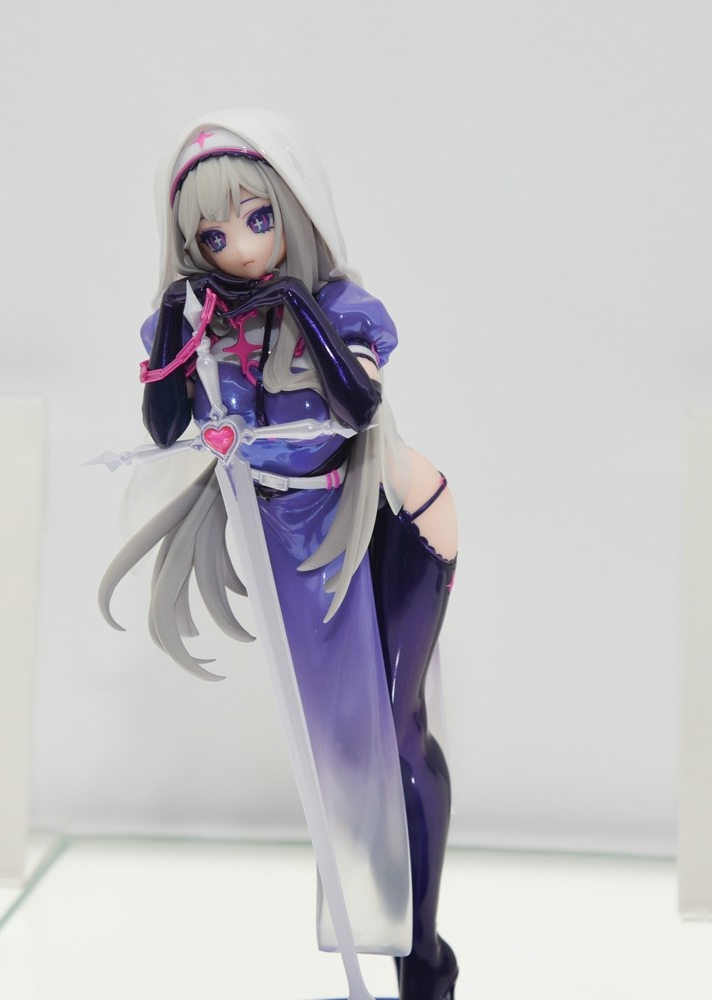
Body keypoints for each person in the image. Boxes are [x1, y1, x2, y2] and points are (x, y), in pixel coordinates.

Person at [100, 111, 458, 1000]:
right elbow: (168, 427)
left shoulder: (341, 310)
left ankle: (422, 958)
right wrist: (175, 335)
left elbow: (357, 407)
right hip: (285, 535)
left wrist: (296, 306)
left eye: (259, 219)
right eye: (214, 236)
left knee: (391, 731)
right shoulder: (204, 324)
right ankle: (379, 927)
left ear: (293, 210)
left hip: (390, 516)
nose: (243, 248)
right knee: (338, 746)